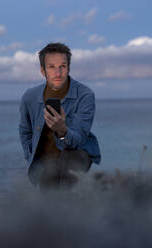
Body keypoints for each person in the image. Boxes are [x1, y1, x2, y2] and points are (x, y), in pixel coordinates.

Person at [19, 43, 101, 189]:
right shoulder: (29, 96)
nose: (58, 73)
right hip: (47, 156)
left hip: (77, 151)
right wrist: (30, 155)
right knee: (48, 191)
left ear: (68, 68)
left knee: (66, 168)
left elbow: (79, 138)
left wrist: (62, 131)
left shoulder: (85, 95)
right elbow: (25, 131)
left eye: (62, 66)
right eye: (51, 67)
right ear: (43, 71)